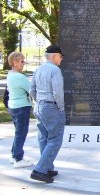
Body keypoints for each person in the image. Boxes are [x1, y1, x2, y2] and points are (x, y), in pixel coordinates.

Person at [29, 45, 65, 183]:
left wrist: (38, 102)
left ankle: (48, 168)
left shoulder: (38, 69)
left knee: (44, 138)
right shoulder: (55, 70)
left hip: (39, 106)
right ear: (55, 56)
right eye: (60, 57)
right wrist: (60, 108)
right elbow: (57, 92)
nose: (61, 60)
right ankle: (39, 170)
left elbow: (32, 89)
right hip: (52, 107)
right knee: (55, 139)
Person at [6, 52, 34, 168]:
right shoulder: (19, 77)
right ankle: (18, 158)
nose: (24, 63)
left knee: (18, 132)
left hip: (13, 106)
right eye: (22, 61)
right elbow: (31, 89)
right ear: (14, 63)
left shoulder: (10, 74)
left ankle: (14, 155)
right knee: (21, 133)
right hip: (21, 107)